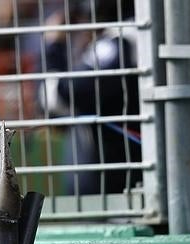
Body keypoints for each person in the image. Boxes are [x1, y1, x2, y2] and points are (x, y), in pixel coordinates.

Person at [40, 0, 141, 195]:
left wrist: (53, 46)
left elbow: (56, 98)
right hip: (118, 180)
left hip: (120, 185)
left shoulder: (120, 41)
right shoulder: (121, 39)